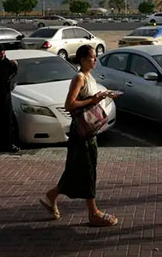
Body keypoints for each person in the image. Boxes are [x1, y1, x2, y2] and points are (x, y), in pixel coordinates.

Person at [40, 45, 118, 227]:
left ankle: (50, 196)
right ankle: (93, 212)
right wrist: (94, 100)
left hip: (89, 131)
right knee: (87, 170)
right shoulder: (79, 78)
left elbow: (90, 98)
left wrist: (104, 96)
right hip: (81, 132)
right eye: (92, 57)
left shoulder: (89, 77)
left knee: (78, 169)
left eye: (95, 57)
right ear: (82, 59)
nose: (95, 60)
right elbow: (70, 104)